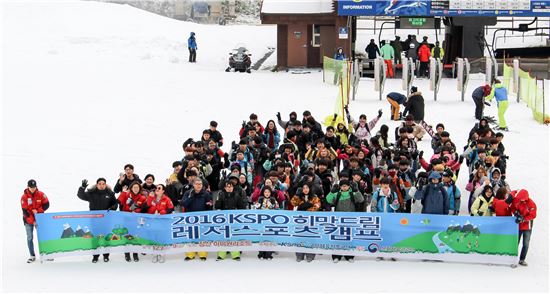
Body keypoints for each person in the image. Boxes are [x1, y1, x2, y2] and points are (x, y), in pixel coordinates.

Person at [77, 178, 118, 263]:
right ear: (97, 185)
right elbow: (80, 196)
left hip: (106, 220)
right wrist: (82, 187)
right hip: (94, 220)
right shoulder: (91, 193)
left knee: (106, 237)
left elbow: (115, 203)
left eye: (103, 184)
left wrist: (113, 207)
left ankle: (106, 255)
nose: (102, 185)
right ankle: (95, 256)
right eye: (100, 184)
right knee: (95, 238)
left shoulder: (110, 194)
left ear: (105, 185)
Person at [326, 180, 364, 262]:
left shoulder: (352, 194)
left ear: (349, 186)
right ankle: (336, 256)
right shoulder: (337, 194)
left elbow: (361, 199)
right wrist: (332, 192)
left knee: (349, 237)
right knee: (338, 238)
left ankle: (349, 256)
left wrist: (357, 190)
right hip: (338, 220)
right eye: (342, 186)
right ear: (340, 187)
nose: (344, 187)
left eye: (346, 186)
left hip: (350, 220)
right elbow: (328, 200)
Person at [181, 179, 213, 261]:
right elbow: (184, 204)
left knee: (202, 236)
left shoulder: (206, 193)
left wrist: (209, 206)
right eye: (197, 184)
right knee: (191, 235)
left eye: (200, 184)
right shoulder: (188, 193)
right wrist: (191, 197)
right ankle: (190, 253)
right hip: (190, 219)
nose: (199, 185)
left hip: (202, 219)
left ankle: (202, 253)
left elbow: (210, 206)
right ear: (193, 185)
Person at [215, 181, 246, 261]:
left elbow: (241, 207)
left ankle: (235, 254)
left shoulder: (237, 195)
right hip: (224, 220)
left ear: (233, 187)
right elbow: (217, 206)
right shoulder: (221, 195)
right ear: (225, 188)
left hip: (234, 220)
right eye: (227, 186)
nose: (229, 188)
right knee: (223, 237)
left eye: (231, 186)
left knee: (234, 237)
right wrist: (218, 200)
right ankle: (221, 254)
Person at [290, 183, 321, 262]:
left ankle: (310, 254)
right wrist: (296, 195)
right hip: (300, 221)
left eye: (307, 188)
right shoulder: (299, 197)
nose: (305, 189)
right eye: (304, 188)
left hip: (311, 221)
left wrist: (306, 210)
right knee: (299, 237)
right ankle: (299, 254)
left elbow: (317, 206)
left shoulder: (314, 197)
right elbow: (292, 202)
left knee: (310, 237)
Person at [118, 181, 148, 262]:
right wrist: (123, 192)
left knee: (136, 236)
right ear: (131, 188)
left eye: (137, 187)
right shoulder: (126, 195)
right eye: (134, 187)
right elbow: (119, 201)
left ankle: (135, 253)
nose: (135, 189)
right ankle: (127, 253)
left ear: (140, 189)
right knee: (127, 235)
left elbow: (144, 209)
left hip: (136, 220)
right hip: (126, 219)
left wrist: (135, 208)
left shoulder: (142, 197)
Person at [21, 179, 50, 263]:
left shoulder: (41, 194)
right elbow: (25, 212)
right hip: (28, 220)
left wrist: (38, 211)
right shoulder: (24, 197)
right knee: (30, 238)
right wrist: (33, 221)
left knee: (43, 236)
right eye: (31, 187)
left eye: (34, 187)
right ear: (28, 187)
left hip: (40, 218)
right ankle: (32, 256)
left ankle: (46, 254)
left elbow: (47, 204)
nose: (33, 188)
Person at [145, 184, 173, 263]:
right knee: (153, 238)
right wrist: (150, 198)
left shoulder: (166, 199)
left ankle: (162, 254)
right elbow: (145, 207)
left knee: (161, 238)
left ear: (163, 191)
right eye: (156, 188)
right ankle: (154, 254)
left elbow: (171, 208)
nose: (157, 189)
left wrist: (163, 212)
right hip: (152, 222)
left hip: (162, 222)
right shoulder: (151, 198)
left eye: (159, 188)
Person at [509, 189, 537, 266]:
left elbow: (533, 215)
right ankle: (512, 259)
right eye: (519, 199)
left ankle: (522, 259)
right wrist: (516, 213)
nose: (520, 200)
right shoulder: (516, 200)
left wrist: (523, 219)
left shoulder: (532, 204)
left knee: (526, 244)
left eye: (522, 199)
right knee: (515, 243)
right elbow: (512, 208)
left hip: (527, 227)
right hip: (518, 226)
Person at [254, 187, 279, 260]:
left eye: (268, 192)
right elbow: (255, 208)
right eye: (265, 192)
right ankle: (261, 253)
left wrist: (274, 204)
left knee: (270, 237)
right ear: (263, 193)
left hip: (270, 222)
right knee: (262, 237)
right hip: (262, 222)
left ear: (270, 193)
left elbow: (277, 208)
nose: (267, 194)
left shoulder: (273, 199)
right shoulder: (260, 199)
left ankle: (269, 254)